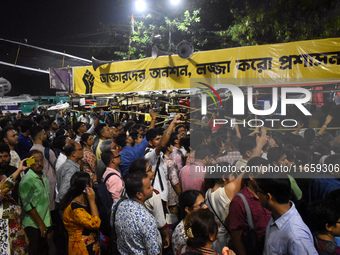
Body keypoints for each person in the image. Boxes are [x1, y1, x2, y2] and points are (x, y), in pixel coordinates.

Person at [256, 173, 318, 255]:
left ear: (268, 196)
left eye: (258, 192)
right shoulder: (276, 217)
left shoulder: (296, 236)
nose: (257, 196)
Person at [113, 171, 162, 254]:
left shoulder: (117, 205)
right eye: (148, 187)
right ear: (139, 194)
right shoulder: (147, 220)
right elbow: (153, 252)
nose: (152, 188)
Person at [205, 163, 245, 254]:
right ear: (223, 178)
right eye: (232, 175)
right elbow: (242, 177)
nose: (234, 178)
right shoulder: (225, 192)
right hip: (226, 240)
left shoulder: (208, 193)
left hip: (213, 238)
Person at [60, 172, 101, 255]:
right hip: (81, 248)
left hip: (91, 245)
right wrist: (92, 200)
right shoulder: (75, 209)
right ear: (87, 186)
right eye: (90, 181)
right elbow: (95, 223)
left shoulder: (84, 202)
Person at [19, 150, 51, 255]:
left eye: (41, 160)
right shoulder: (27, 181)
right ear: (29, 162)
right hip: (33, 224)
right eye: (35, 161)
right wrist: (41, 224)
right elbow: (28, 206)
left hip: (43, 220)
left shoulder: (42, 175)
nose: (39, 164)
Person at [0, 158, 28, 254]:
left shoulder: (10, 199)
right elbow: (4, 188)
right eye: (4, 180)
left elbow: (17, 220)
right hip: (5, 243)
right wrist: (18, 170)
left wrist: (25, 236)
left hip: (18, 241)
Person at [172, 190, 208, 255]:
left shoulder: (196, 223)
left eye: (205, 202)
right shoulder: (182, 234)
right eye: (201, 205)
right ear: (188, 209)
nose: (205, 207)